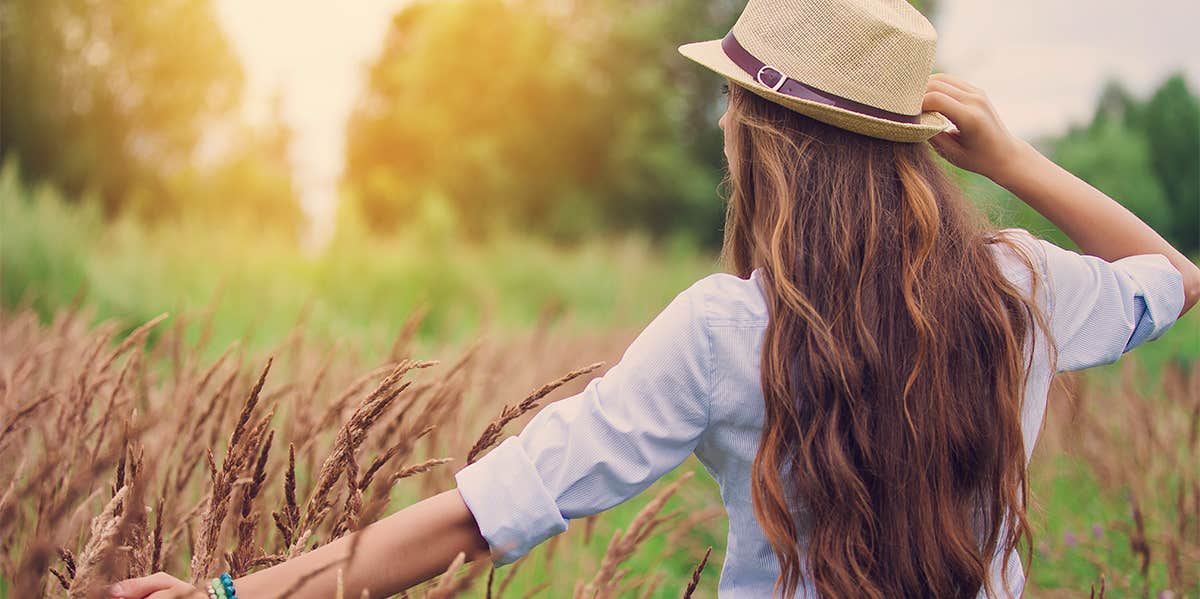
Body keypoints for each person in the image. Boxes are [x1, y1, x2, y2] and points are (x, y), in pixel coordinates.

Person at [110, 0, 1199, 597]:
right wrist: (1014, 162)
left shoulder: (731, 330)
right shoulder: (1016, 283)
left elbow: (484, 515)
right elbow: (1177, 278)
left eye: (733, 104)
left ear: (759, 133)